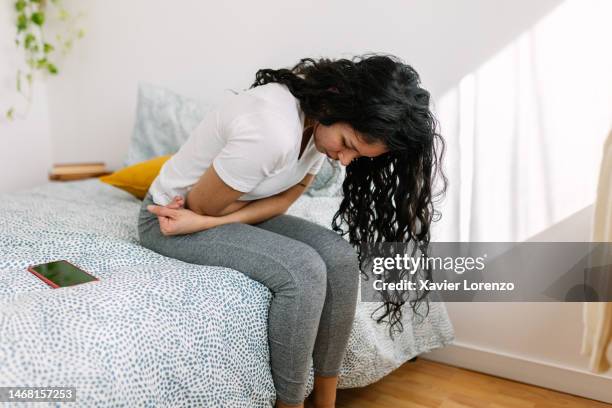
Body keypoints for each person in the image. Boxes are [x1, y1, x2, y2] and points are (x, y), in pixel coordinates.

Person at [137, 53, 447, 408]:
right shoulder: (274, 130)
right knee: (303, 269)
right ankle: (291, 402)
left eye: (356, 156)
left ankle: (326, 401)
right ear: (336, 105)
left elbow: (286, 198)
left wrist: (213, 223)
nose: (343, 160)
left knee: (340, 258)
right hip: (169, 221)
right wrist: (211, 218)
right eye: (346, 144)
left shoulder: (317, 124)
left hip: (213, 213)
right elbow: (202, 206)